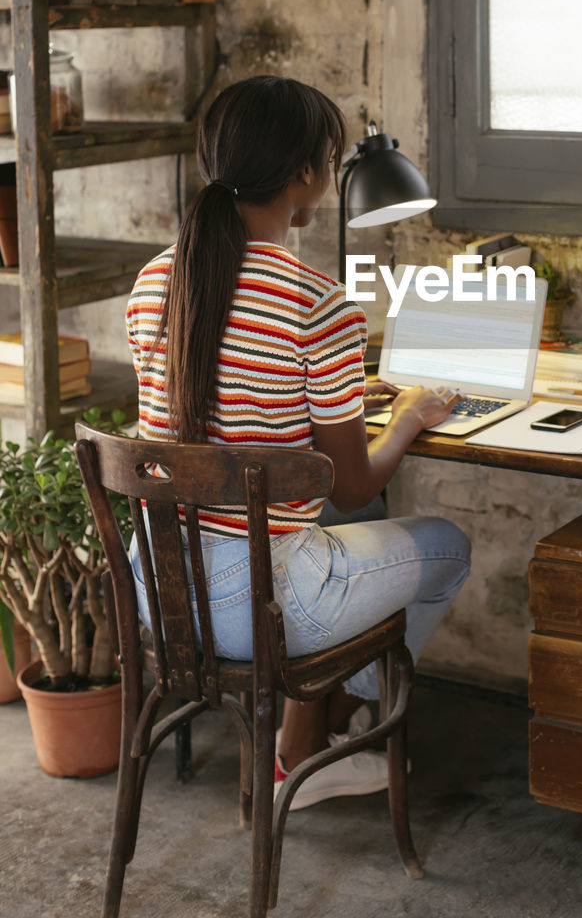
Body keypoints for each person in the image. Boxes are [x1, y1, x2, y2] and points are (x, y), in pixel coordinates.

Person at [126, 75, 471, 809]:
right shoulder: (316, 301)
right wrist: (407, 414)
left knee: (352, 532)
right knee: (445, 544)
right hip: (262, 606)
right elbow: (351, 486)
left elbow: (208, 415)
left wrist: (336, 402)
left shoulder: (154, 280)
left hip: (162, 591)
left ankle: (307, 744)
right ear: (309, 175)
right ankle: (325, 736)